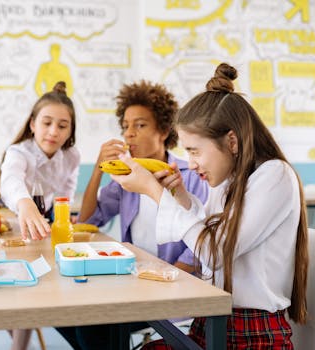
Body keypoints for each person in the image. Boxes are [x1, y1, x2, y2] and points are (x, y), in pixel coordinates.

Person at [111, 63, 308, 349]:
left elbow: (215, 252)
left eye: (194, 151)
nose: (190, 163)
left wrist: (155, 193)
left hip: (252, 335)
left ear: (231, 141)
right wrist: (179, 195)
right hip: (212, 323)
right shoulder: (227, 181)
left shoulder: (275, 176)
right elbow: (205, 235)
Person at [57, 80, 209, 349]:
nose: (129, 134)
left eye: (140, 125)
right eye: (125, 126)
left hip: (172, 290)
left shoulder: (190, 175)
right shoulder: (125, 179)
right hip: (134, 284)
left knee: (94, 326)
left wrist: (159, 282)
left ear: (164, 130)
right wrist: (98, 170)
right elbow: (89, 220)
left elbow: (198, 248)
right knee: (66, 313)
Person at [0, 81, 79, 349]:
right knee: (9, 286)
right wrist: (25, 204)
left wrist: (63, 219)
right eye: (46, 122)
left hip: (41, 219)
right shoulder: (19, 152)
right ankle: (18, 338)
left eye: (62, 126)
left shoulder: (71, 155)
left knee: (33, 282)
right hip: (4, 218)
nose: (53, 132)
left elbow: (66, 192)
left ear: (71, 131)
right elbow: (10, 180)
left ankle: (19, 343)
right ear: (32, 124)